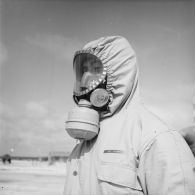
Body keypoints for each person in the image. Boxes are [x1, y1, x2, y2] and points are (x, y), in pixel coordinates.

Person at [64, 36, 195, 195]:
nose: (85, 78)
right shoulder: (87, 138)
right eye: (84, 69)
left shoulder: (155, 137)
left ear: (118, 74)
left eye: (95, 68)